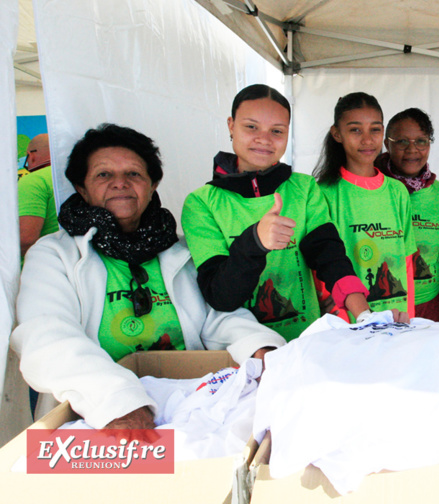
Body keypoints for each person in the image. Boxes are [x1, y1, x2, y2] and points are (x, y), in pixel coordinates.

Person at [11, 124, 285, 429]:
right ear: (81, 188)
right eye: (103, 175)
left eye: (134, 174)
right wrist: (119, 403)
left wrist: (260, 348)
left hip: (190, 406)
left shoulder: (180, 249)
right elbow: (46, 338)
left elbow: (219, 315)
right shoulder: (55, 255)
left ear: (152, 185)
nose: (120, 184)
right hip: (96, 417)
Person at [182, 85, 371, 341]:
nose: (264, 139)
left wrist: (364, 315)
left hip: (306, 344)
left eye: (277, 131)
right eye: (251, 127)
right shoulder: (201, 203)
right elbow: (221, 296)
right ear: (230, 125)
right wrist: (255, 242)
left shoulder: (304, 188)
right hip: (243, 354)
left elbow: (329, 255)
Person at [313, 92, 415, 321]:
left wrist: (410, 316)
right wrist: (343, 319)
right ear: (337, 134)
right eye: (355, 130)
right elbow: (321, 267)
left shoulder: (397, 191)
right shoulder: (324, 193)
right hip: (351, 323)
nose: (367, 140)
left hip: (397, 319)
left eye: (375, 129)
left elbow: (407, 262)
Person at [375, 108, 439, 322]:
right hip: (382, 307)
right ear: (386, 144)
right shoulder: (372, 188)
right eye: (401, 142)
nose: (412, 150)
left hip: (431, 305)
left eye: (421, 141)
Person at [18, 133, 58, 257]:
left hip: (41, 265)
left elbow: (25, 238)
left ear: (32, 156)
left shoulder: (34, 180)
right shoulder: (77, 177)